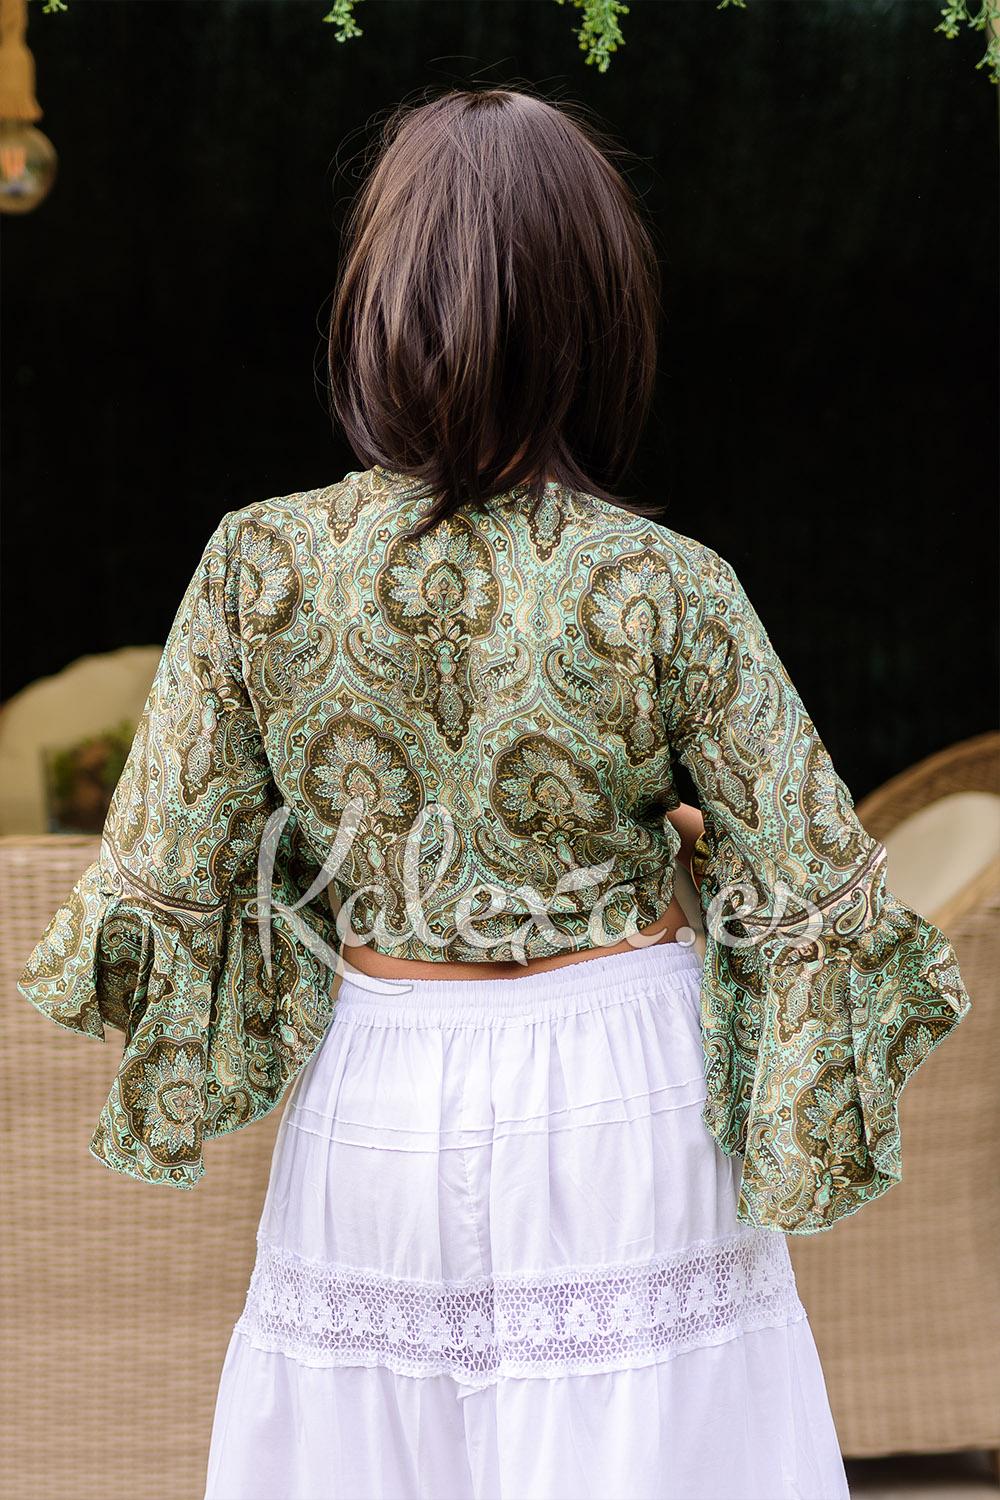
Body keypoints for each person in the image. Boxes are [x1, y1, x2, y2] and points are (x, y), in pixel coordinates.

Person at [18, 87, 971, 1500]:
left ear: (378, 297)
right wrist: (689, 857)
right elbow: (826, 900)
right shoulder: (667, 586)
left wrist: (347, 860)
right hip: (623, 1091)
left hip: (379, 1097)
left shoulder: (257, 567)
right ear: (596, 311)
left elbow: (164, 881)